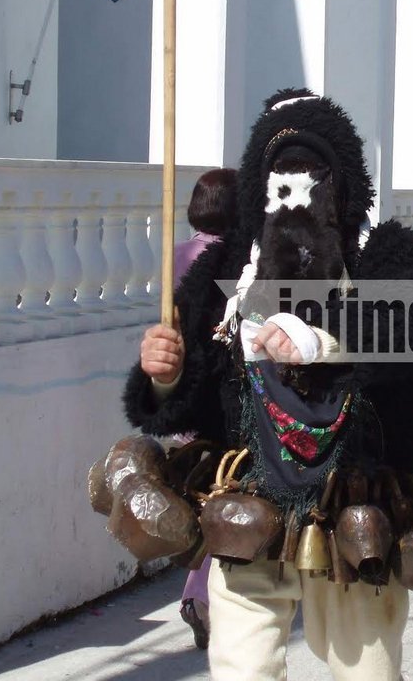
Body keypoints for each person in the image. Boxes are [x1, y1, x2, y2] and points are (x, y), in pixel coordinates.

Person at [124, 89, 413, 680]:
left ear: (343, 184)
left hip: (357, 494)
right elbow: (189, 393)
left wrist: (320, 343)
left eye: (314, 178)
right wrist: (166, 376)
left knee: (365, 666)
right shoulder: (223, 269)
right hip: (249, 490)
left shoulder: (386, 253)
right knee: (239, 666)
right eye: (282, 177)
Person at [172, 167, 238, 650]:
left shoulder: (176, 257)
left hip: (182, 394)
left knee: (200, 497)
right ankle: (205, 596)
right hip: (220, 394)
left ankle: (197, 593)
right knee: (225, 494)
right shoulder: (231, 262)